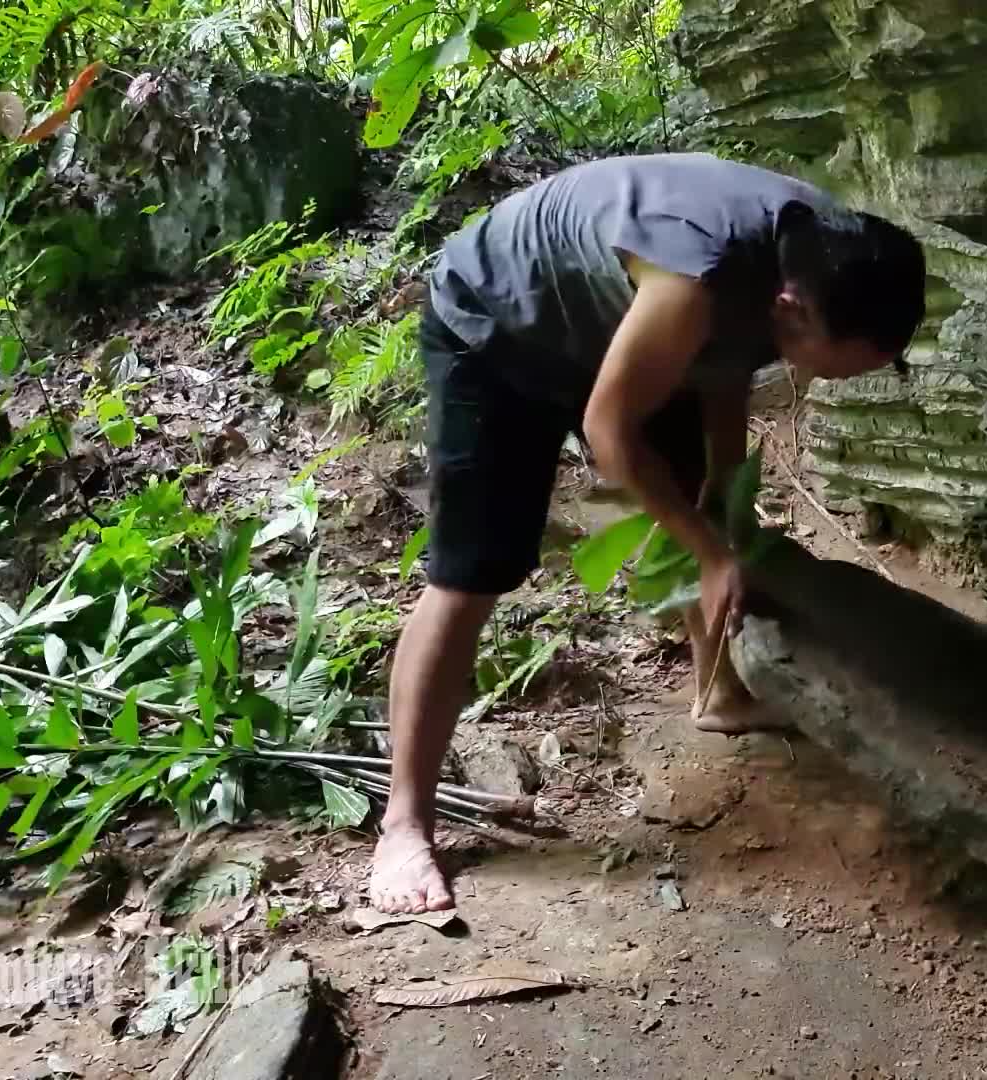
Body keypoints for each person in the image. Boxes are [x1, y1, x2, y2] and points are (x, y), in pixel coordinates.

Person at [368, 152, 928, 914]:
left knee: (703, 502)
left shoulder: (828, 257)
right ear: (795, 311)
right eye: (843, 369)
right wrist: (706, 549)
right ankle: (405, 823)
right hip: (497, 329)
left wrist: (722, 513)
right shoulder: (699, 275)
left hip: (617, 324)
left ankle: (719, 692)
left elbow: (726, 377)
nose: (845, 383)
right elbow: (609, 432)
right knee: (471, 574)